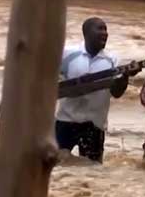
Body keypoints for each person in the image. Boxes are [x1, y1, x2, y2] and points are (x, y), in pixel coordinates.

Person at [55, 17, 140, 163]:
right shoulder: (67, 55)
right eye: (100, 28)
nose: (105, 33)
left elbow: (117, 93)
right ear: (86, 33)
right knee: (55, 166)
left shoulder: (112, 60)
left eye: (106, 29)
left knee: (93, 172)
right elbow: (52, 83)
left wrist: (126, 75)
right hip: (65, 121)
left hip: (94, 125)